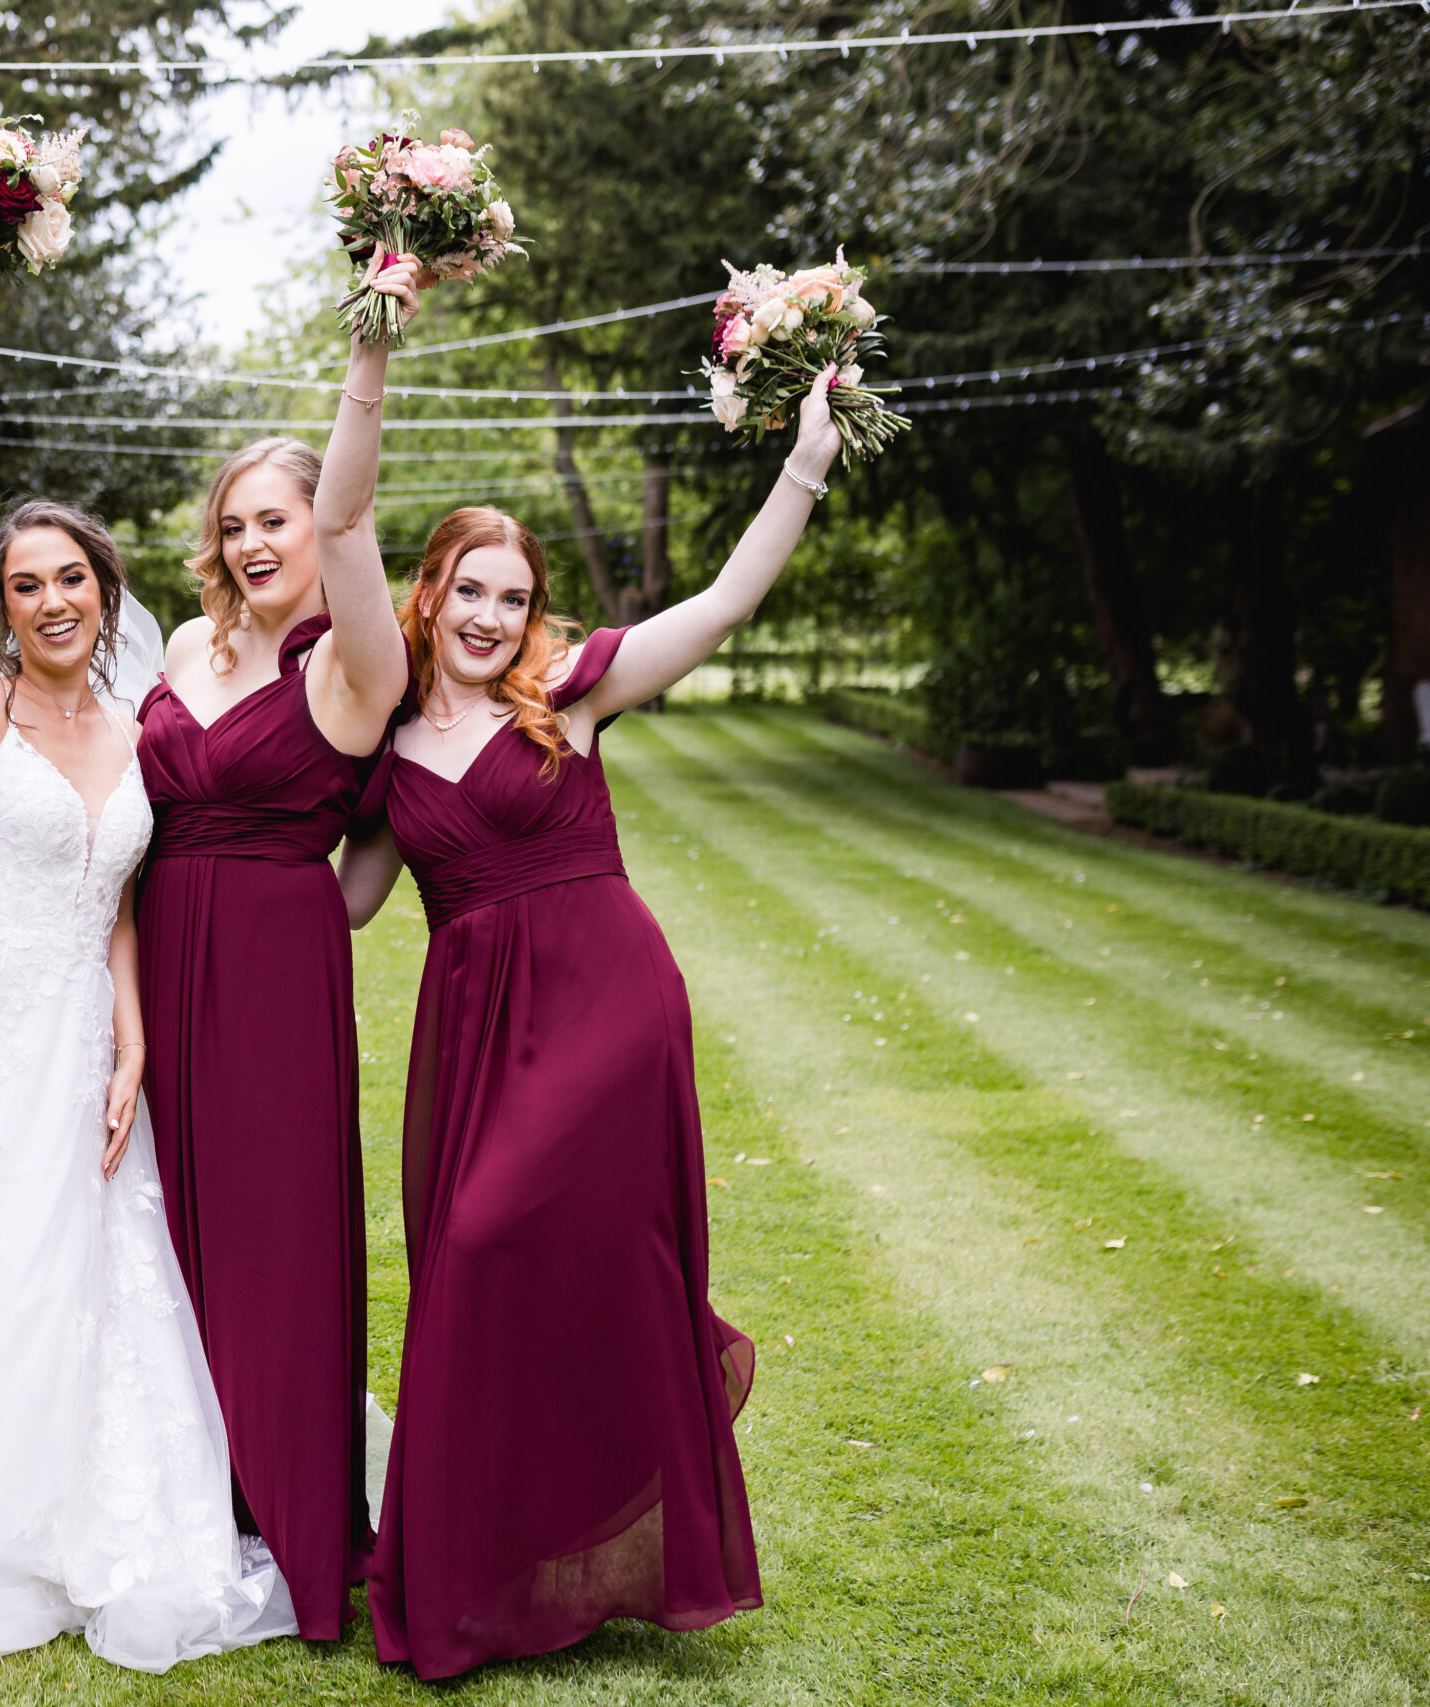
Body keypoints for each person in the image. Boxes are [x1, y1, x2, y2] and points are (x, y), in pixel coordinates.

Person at [335, 369, 844, 1678]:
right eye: (473, 592)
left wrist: (803, 462)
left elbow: (726, 601)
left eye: (516, 597)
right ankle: (477, 1569)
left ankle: (545, 1539)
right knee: (470, 1275)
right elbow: (342, 904)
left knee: (501, 1238)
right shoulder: (387, 748)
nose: (493, 618)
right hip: (476, 1025)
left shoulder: (572, 697)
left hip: (608, 999)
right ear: (431, 594)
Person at [0, 273, 299, 1670]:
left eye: (71, 579)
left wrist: (140, 1033)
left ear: (108, 591)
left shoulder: (139, 721)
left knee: (108, 1271)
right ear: (0, 604)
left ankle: (118, 1506)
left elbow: (116, 896)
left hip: (94, 1044)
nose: (50, 601)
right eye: (24, 585)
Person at [131, 253, 426, 1640]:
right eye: (238, 520)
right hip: (149, 958)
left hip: (268, 975)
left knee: (278, 1239)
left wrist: (368, 351)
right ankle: (185, 1488)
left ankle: (296, 1519)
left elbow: (366, 873)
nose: (258, 541)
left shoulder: (353, 666)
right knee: (162, 1227)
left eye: (284, 517)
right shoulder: (184, 641)